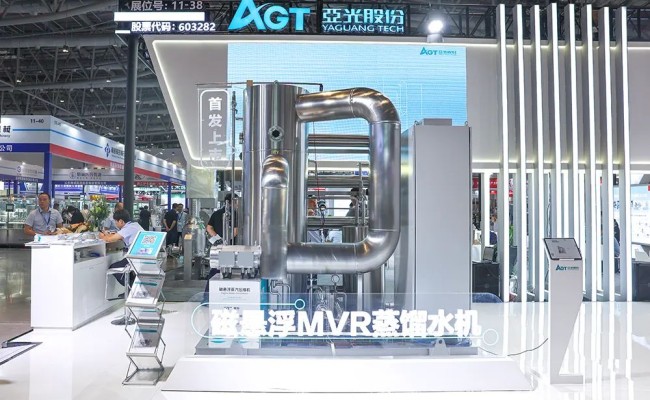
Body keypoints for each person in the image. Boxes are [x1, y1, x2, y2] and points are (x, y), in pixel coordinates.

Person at [204, 194, 238, 303]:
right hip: (229, 247)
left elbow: (209, 227)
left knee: (215, 270)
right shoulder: (234, 214)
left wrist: (218, 238)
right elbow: (235, 231)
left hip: (218, 247)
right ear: (233, 202)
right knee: (227, 271)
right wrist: (226, 240)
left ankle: (207, 298)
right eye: (236, 202)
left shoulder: (216, 213)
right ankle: (224, 298)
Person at [99, 209, 144, 287]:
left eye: (116, 222)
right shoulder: (135, 225)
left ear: (121, 221)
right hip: (142, 257)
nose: (115, 224)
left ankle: (132, 288)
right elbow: (117, 236)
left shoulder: (127, 229)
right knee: (128, 271)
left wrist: (102, 236)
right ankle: (133, 287)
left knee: (114, 268)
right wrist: (109, 235)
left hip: (134, 258)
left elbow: (110, 239)